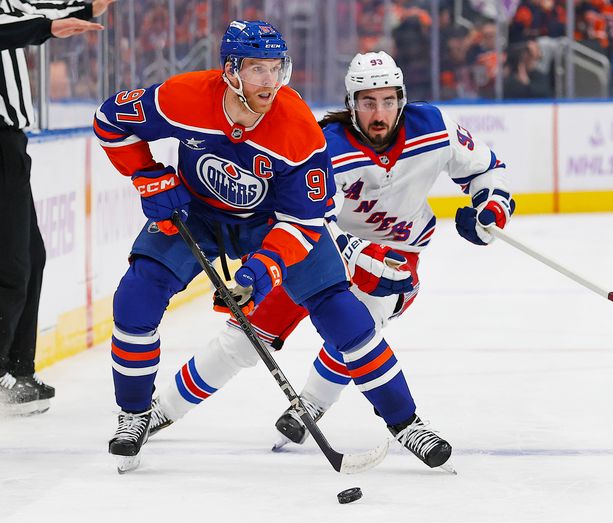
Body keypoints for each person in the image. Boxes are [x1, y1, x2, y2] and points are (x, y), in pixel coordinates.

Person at [94, 21, 456, 473]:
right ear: (230, 71)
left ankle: (407, 424)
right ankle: (134, 415)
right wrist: (146, 174)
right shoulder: (181, 97)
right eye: (257, 69)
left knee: (344, 315)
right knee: (137, 294)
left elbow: (303, 223)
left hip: (273, 224)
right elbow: (110, 120)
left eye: (276, 68)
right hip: (199, 215)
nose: (271, 81)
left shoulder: (298, 128)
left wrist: (262, 269)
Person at [146, 51, 514, 468]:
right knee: (246, 336)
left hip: (398, 254)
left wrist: (491, 206)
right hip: (319, 250)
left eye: (389, 101)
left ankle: (313, 406)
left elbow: (488, 168)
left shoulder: (435, 129)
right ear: (351, 103)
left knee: (364, 323)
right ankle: (164, 408)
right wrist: (355, 251)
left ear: (402, 99)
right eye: (368, 102)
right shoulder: (324, 145)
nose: (380, 113)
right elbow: (307, 217)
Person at [0, 0, 110, 415]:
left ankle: (17, 370)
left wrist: (84, 7)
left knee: (29, 256)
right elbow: (15, 24)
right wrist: (48, 27)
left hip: (10, 143)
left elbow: (34, 8)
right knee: (10, 266)